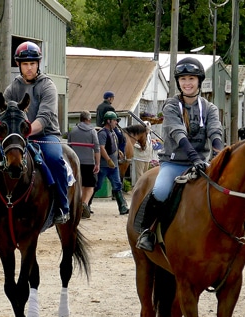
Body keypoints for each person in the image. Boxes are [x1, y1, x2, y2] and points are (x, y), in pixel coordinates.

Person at [135, 57, 224, 251]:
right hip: (174, 163)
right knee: (160, 190)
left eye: (191, 78)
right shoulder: (171, 106)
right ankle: (147, 231)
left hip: (203, 163)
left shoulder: (210, 108)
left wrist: (218, 153)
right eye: (183, 79)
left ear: (199, 81)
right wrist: (195, 158)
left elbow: (215, 131)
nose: (187, 83)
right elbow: (177, 133)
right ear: (178, 82)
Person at [3, 40, 70, 224]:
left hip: (46, 135)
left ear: (38, 64)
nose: (29, 68)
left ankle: (62, 207)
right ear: (19, 65)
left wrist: (25, 132)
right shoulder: (13, 88)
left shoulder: (47, 86)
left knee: (55, 159)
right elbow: (4, 116)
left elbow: (44, 118)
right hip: (18, 138)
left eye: (33, 63)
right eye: (25, 64)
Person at [67, 111, 100, 219]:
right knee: (90, 186)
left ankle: (78, 203)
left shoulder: (73, 131)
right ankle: (85, 204)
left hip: (76, 162)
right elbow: (97, 149)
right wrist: (98, 163)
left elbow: (69, 147)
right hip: (89, 162)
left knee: (79, 185)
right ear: (89, 119)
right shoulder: (92, 131)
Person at [96, 111, 129, 215]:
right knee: (97, 185)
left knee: (117, 185)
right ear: (108, 121)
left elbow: (113, 144)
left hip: (113, 166)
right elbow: (101, 148)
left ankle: (122, 207)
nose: (116, 122)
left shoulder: (113, 132)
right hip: (104, 165)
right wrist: (108, 160)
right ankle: (86, 205)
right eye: (115, 120)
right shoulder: (102, 133)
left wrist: (118, 151)